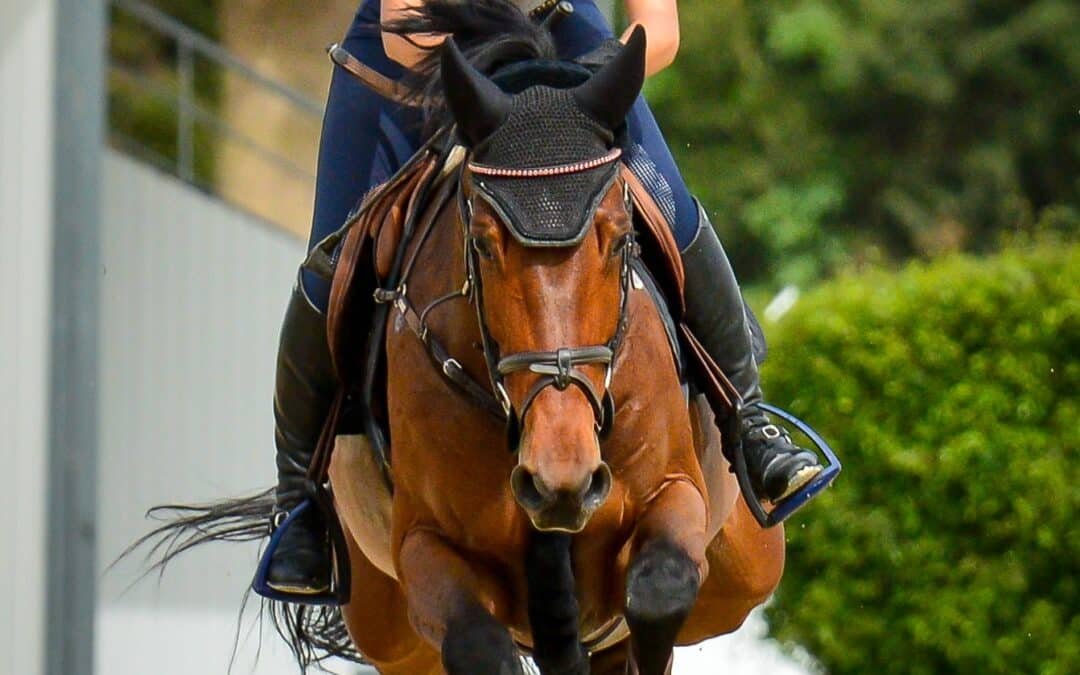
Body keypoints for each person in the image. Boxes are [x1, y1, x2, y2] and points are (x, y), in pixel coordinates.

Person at [265, 0, 822, 597]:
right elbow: (409, 34)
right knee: (338, 257)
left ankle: (750, 425)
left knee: (673, 214)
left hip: (571, 57)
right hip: (410, 61)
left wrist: (583, 84)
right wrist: (498, 103)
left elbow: (659, 32)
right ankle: (300, 501)